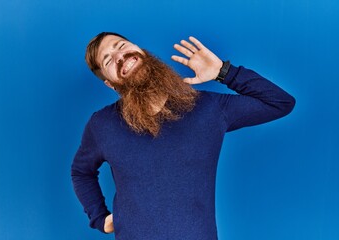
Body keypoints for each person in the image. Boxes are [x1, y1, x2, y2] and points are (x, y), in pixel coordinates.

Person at [71, 32, 296, 240]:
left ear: (140, 50)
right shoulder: (102, 124)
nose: (120, 56)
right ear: (110, 84)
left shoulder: (208, 108)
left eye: (121, 46)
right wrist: (100, 218)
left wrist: (223, 72)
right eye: (108, 60)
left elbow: (279, 103)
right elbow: (81, 171)